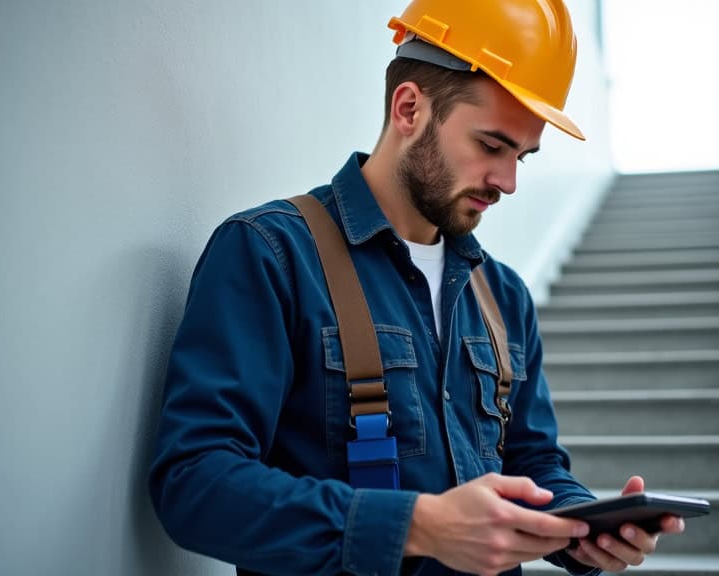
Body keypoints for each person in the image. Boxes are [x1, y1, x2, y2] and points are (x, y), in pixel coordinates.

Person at [148, 1, 684, 575]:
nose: (508, 181)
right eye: (492, 145)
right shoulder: (270, 254)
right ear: (409, 109)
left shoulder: (503, 296)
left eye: (523, 156)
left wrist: (579, 524)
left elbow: (532, 460)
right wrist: (415, 527)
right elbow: (195, 482)